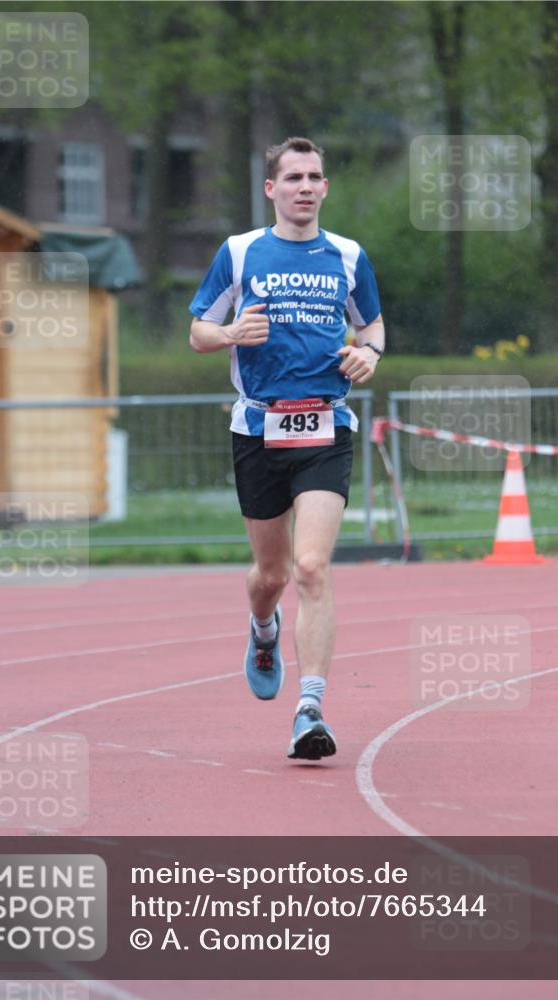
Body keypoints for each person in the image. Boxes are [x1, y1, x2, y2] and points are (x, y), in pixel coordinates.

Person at [189, 136, 384, 761]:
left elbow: (373, 324)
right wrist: (227, 334)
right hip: (258, 431)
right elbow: (196, 330)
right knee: (270, 575)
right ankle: (263, 629)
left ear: (326, 188)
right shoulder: (240, 252)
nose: (305, 186)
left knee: (310, 568)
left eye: (315, 176)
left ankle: (310, 709)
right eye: (293, 176)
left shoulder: (348, 256)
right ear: (270, 188)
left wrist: (368, 353)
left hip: (326, 427)